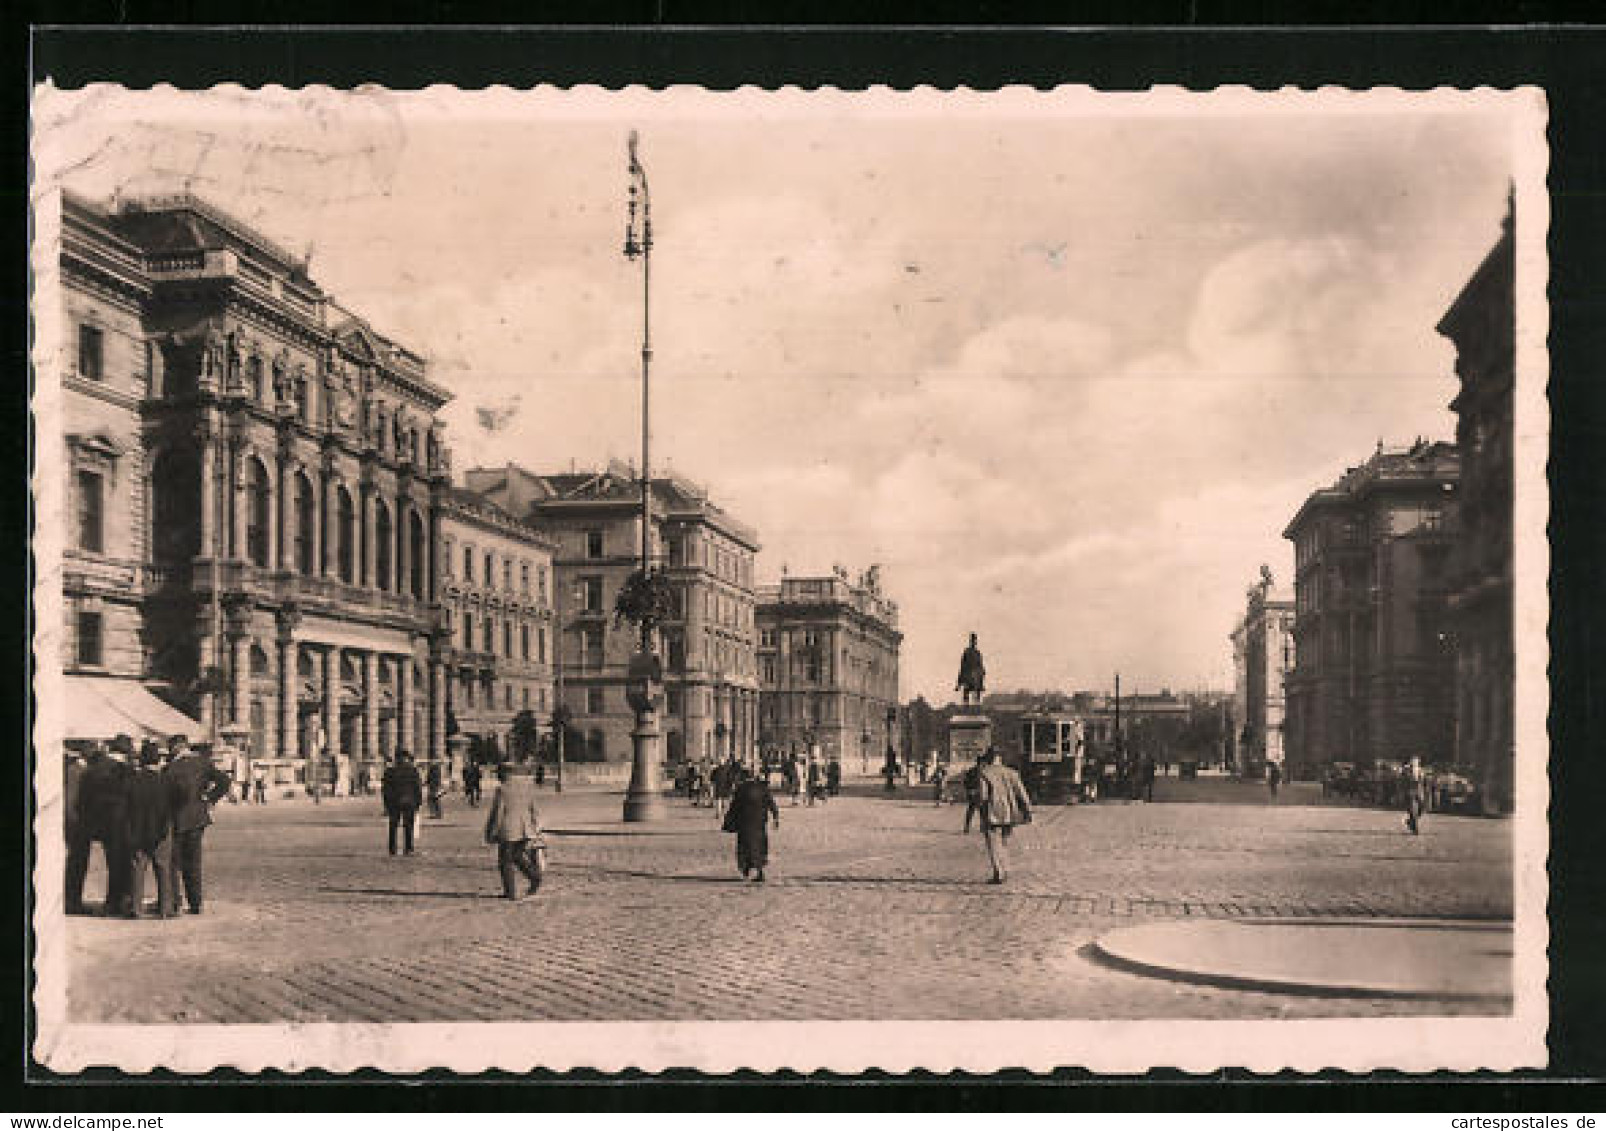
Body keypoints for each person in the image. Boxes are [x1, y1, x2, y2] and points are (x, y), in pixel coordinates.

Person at [162, 735, 232, 916]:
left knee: (173, 863)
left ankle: (176, 903)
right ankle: (196, 903)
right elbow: (224, 781)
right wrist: (209, 798)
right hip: (197, 818)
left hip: (176, 819)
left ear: (177, 747)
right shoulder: (203, 763)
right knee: (193, 862)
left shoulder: (170, 768)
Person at [66, 737, 135, 916]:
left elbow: (81, 801)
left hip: (90, 821)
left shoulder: (89, 772)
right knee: (117, 863)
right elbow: (131, 797)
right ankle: (114, 903)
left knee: (78, 862)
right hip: (117, 823)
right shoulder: (124, 770)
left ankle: (73, 901)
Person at [125, 741, 175, 919]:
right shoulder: (165, 780)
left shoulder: (132, 780)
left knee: (138, 869)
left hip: (138, 831)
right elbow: (179, 798)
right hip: (162, 829)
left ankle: (136, 908)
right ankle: (165, 908)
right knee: (163, 869)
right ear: (158, 760)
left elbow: (126, 806)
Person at [483, 760, 545, 901]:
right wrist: (535, 827)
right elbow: (534, 809)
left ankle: (510, 892)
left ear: (504, 774)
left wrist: (492, 831)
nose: (497, 776)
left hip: (508, 829)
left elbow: (498, 813)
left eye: (499, 773)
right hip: (525, 829)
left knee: (505, 861)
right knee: (517, 856)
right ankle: (535, 877)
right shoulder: (527, 787)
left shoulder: (502, 789)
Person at [975, 747, 1033, 884]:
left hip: (991, 810)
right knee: (1004, 841)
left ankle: (998, 872)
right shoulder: (1012, 773)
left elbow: (983, 796)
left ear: (989, 757)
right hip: (1009, 811)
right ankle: (1006, 869)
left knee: (992, 842)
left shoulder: (984, 773)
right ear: (1000, 758)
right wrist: (1027, 810)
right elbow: (1022, 793)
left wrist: (979, 807)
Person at [723, 764, 780, 882]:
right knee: (759, 846)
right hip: (760, 822)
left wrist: (729, 821)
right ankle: (759, 870)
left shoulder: (740, 789)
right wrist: (775, 817)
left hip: (744, 822)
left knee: (744, 846)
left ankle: (745, 870)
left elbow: (734, 807)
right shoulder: (762, 788)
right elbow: (771, 803)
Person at [382, 750, 424, 856]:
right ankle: (408, 848)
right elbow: (417, 788)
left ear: (396, 759)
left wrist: (386, 805)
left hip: (394, 802)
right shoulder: (413, 771)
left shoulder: (389, 771)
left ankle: (392, 849)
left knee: (393, 826)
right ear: (406, 759)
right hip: (409, 802)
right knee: (408, 826)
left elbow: (385, 790)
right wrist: (418, 802)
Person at [1402, 756, 1428, 835]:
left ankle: (1410, 821)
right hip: (1410, 792)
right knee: (1413, 810)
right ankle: (1415, 829)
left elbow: (1425, 782)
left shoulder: (1421, 771)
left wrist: (1424, 791)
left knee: (1422, 809)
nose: (1414, 763)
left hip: (1419, 791)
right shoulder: (1406, 770)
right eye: (1413, 762)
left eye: (1416, 762)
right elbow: (1403, 781)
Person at [961, 756, 984, 834]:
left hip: (980, 793)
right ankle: (967, 827)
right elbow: (966, 782)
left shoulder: (983, 771)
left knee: (980, 811)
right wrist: (970, 790)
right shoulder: (973, 771)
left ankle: (981, 826)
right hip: (975, 793)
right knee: (972, 810)